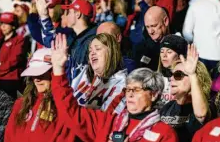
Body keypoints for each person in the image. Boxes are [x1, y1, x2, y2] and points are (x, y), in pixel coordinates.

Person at [50, 34, 178, 142]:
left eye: (136, 90)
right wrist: (58, 70)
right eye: (128, 90)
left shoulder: (164, 133)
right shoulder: (109, 122)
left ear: (154, 94)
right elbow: (71, 112)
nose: (130, 94)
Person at [4, 48, 87, 142]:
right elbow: (9, 136)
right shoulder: (21, 103)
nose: (36, 79)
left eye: (41, 74)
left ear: (54, 73)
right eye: (33, 74)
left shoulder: (65, 107)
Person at [35, 0, 97, 83]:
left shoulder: (93, 41)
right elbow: (51, 44)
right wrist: (44, 16)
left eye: (68, 12)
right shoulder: (72, 37)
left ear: (78, 14)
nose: (64, 15)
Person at [159, 45, 213, 142]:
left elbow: (201, 115)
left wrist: (192, 74)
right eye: (172, 75)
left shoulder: (207, 106)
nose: (171, 79)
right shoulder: (167, 107)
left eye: (178, 75)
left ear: (197, 78)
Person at [71, 33, 127, 113]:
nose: (92, 53)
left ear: (111, 52)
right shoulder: (84, 74)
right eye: (90, 51)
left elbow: (106, 118)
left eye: (97, 49)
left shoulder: (121, 82)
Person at [0, 12, 29, 99]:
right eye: (1, 23)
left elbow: (15, 59)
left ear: (13, 25)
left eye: (6, 24)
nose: (3, 26)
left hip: (10, 79)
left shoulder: (19, 40)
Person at [133, 6, 170, 71]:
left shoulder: (179, 46)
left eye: (154, 26)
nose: (150, 31)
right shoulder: (141, 49)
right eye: (147, 27)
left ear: (165, 21)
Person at [157, 34, 188, 105]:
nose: (164, 55)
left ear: (180, 56)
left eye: (169, 52)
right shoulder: (156, 77)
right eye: (162, 51)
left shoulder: (187, 78)